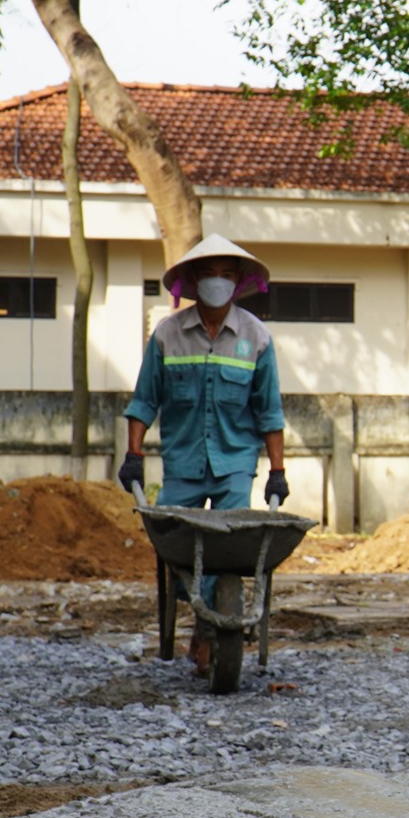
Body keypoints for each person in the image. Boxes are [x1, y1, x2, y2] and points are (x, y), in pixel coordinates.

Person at [119, 234, 289, 675]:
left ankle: (211, 631)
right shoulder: (168, 336)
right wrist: (133, 454)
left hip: (235, 465)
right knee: (178, 550)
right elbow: (143, 402)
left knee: (229, 548)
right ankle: (202, 614)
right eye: (209, 273)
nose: (217, 281)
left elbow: (269, 412)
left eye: (226, 274)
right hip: (183, 465)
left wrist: (277, 471)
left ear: (238, 281)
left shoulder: (256, 338)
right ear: (193, 280)